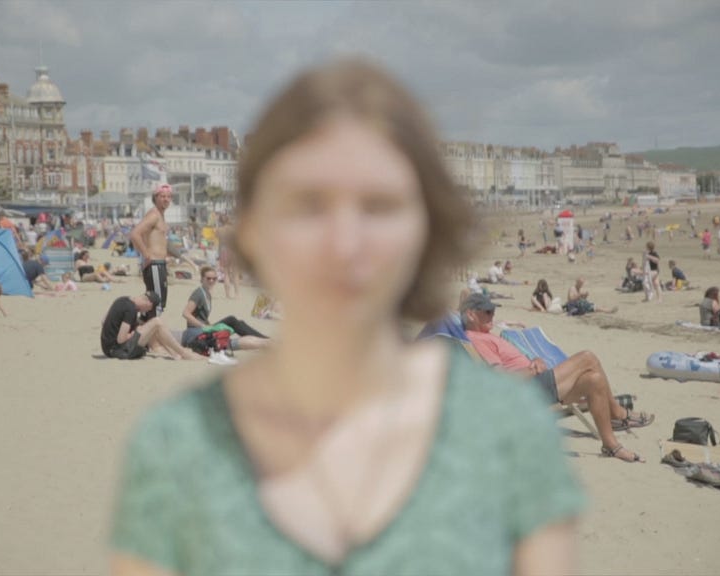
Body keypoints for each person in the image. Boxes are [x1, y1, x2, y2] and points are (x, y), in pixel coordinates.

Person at [110, 60, 584, 575]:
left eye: (380, 206)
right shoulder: (179, 446)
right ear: (254, 231)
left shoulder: (511, 435)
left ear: (430, 229)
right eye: (308, 204)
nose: (345, 243)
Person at [461, 293, 651, 462]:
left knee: (594, 380)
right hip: (526, 391)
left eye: (493, 310)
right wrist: (533, 371)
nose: (492, 315)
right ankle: (617, 414)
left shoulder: (486, 334)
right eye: (487, 311)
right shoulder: (477, 338)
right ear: (470, 314)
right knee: (588, 357)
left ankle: (611, 445)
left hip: (533, 384)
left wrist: (534, 361)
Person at [181, 265, 270, 352]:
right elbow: (186, 313)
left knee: (238, 322)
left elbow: (201, 316)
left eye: (214, 278)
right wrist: (203, 326)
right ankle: (266, 340)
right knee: (232, 320)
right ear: (202, 279)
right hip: (196, 331)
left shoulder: (206, 292)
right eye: (208, 278)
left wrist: (208, 325)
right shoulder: (198, 294)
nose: (211, 281)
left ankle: (264, 339)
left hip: (203, 328)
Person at [100, 291, 200, 361]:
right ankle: (183, 353)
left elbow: (104, 320)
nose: (145, 311)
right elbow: (121, 339)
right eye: (148, 309)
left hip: (107, 348)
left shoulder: (122, 299)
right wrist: (132, 334)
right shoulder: (131, 309)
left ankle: (174, 352)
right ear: (148, 303)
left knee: (150, 326)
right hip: (117, 351)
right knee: (156, 322)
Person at [130, 183, 173, 318]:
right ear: (155, 198)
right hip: (154, 264)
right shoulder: (154, 215)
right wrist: (146, 254)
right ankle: (150, 335)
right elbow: (135, 234)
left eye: (168, 196)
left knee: (152, 304)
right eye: (162, 196)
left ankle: (145, 333)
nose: (166, 199)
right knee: (156, 305)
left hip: (159, 265)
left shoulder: (160, 215)